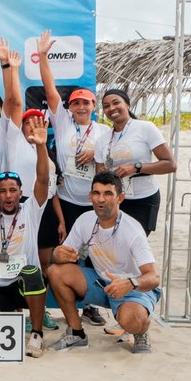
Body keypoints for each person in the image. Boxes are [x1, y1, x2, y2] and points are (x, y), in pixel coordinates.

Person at [36, 29, 111, 327]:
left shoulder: (104, 133)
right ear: (69, 108)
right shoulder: (63, 122)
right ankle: (61, 306)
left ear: (94, 107)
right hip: (65, 201)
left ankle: (90, 306)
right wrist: (42, 57)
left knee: (95, 256)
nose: (81, 107)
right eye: (76, 103)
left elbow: (111, 169)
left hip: (95, 205)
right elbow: (49, 87)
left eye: (87, 103)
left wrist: (95, 155)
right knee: (65, 254)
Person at [47, 171, 162, 354]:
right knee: (56, 271)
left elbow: (154, 277)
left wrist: (130, 283)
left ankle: (141, 331)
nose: (100, 199)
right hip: (100, 282)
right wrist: (58, 254)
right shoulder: (85, 220)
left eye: (108, 193)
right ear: (90, 196)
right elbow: (61, 255)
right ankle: (76, 333)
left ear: (120, 198)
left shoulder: (132, 229)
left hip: (131, 287)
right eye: (96, 193)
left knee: (133, 321)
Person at [0, 38, 62, 334]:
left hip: (39, 209)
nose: (33, 126)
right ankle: (10, 305)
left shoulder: (46, 151)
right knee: (8, 259)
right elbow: (15, 102)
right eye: (28, 122)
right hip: (12, 209)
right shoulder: (13, 139)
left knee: (39, 265)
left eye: (38, 122)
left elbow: (52, 188)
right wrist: (9, 67)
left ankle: (40, 310)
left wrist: (60, 220)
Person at [0, 114, 51, 358]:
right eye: (2, 191)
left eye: (13, 190)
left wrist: (42, 147)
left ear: (21, 192)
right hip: (0, 285)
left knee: (33, 273)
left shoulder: (31, 209)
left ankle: (36, 333)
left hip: (27, 285)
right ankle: (10, 319)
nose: (8, 196)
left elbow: (43, 179)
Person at [95, 89, 176, 235]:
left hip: (143, 199)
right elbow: (99, 173)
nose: (111, 108)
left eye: (115, 103)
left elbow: (170, 164)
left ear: (127, 104)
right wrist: (104, 174)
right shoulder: (102, 140)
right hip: (115, 201)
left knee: (133, 243)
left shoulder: (145, 128)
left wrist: (136, 167)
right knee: (114, 242)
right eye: (106, 106)